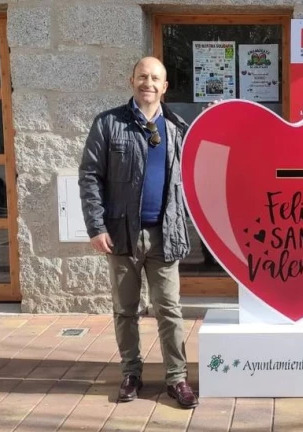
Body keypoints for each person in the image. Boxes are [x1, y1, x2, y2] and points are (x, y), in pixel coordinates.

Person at [78, 56, 198, 409]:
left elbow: (202, 163)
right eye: (142, 76)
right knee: (126, 310)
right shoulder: (108, 123)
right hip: (122, 235)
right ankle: (131, 373)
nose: (148, 83)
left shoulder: (177, 127)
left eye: (155, 78)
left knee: (169, 309)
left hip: (165, 234)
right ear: (131, 80)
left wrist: (217, 119)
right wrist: (96, 226)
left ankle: (176, 378)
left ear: (165, 86)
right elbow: (90, 176)